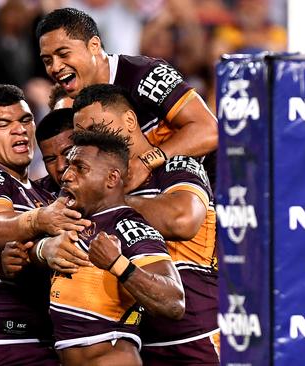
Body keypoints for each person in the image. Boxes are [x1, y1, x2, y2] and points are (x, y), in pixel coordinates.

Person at [72, 84, 219, 364]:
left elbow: (182, 219)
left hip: (197, 334)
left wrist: (111, 202)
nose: (93, 142)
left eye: (97, 128)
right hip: (139, 339)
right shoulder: (95, 186)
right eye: (84, 136)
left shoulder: (176, 165)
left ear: (129, 120)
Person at [0, 84, 90, 365]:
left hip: (45, 340)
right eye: (3, 123)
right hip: (7, 342)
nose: (19, 129)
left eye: (25, 120)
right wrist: (40, 221)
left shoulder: (40, 192)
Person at [36, 7, 218, 190]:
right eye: (47, 61)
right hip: (151, 195)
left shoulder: (145, 75)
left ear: (94, 45)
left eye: (63, 54)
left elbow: (208, 129)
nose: (55, 67)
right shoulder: (71, 104)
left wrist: (146, 162)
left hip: (212, 188)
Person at [49, 124, 185, 366]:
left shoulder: (128, 227)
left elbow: (174, 302)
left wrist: (119, 264)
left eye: (80, 168)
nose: (67, 175)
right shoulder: (73, 219)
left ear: (111, 179)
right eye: (69, 166)